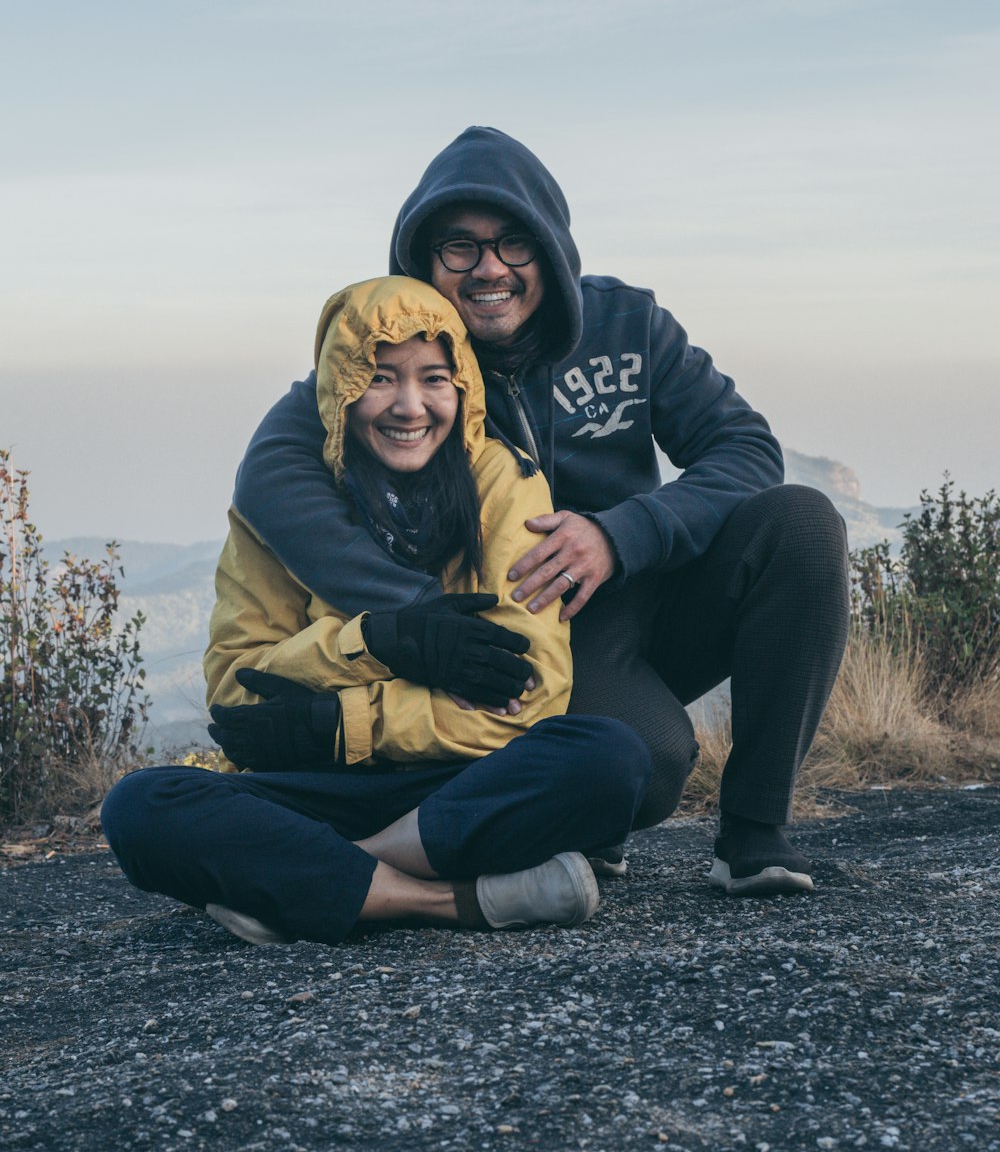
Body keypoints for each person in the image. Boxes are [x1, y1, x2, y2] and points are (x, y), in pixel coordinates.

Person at [222, 127, 851, 897]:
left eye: (514, 242)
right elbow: (272, 473)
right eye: (459, 246)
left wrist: (623, 534)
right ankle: (574, 816)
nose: (490, 268)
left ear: (551, 250)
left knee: (803, 526)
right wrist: (426, 620)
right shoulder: (412, 356)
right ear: (422, 263)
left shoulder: (629, 326)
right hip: (542, 626)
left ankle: (756, 833)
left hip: (652, 582)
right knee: (647, 767)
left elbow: (745, 448)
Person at [101, 277, 651, 945]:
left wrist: (342, 723)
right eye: (380, 377)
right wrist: (373, 641)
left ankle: (323, 877)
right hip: (321, 789)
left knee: (608, 758)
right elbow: (237, 694)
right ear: (339, 387)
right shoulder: (287, 505)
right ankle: (454, 900)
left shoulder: (505, 486)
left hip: (460, 782)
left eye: (435, 379)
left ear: (464, 388)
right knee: (140, 807)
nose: (410, 406)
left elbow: (525, 698)